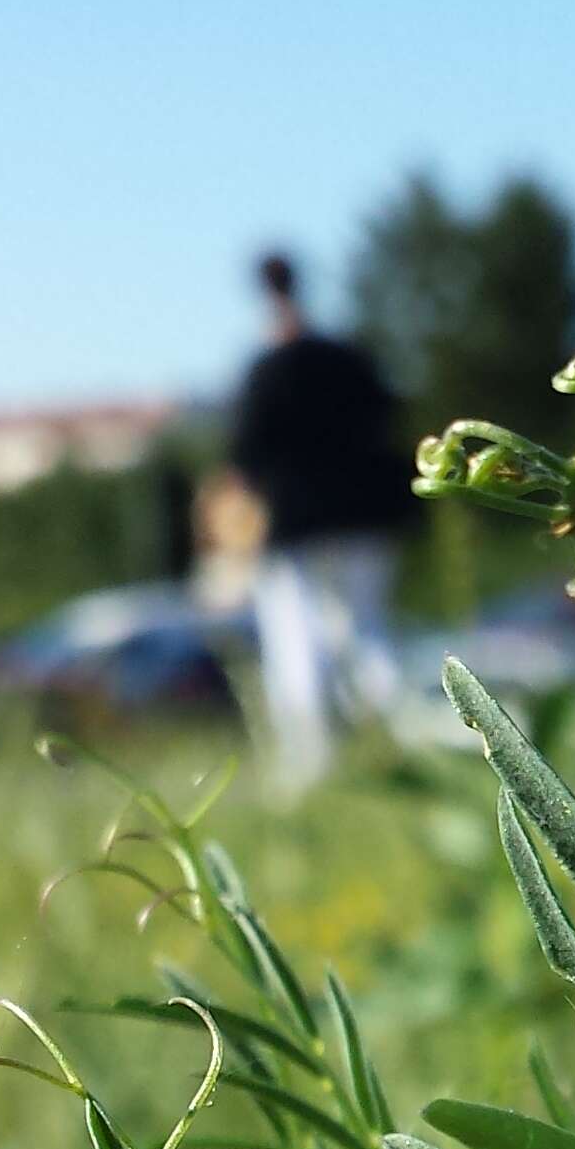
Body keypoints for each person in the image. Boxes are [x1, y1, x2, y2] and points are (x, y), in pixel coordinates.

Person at [225, 251, 413, 788]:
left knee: (295, 640)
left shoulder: (267, 371)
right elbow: (388, 418)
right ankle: (412, 741)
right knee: (370, 633)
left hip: (296, 524)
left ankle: (309, 766)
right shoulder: (349, 359)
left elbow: (244, 454)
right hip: (367, 515)